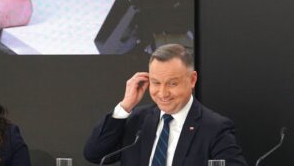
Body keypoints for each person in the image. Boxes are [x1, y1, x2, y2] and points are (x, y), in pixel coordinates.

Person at [83, 43, 247, 166]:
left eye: (172, 84)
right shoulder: (138, 119)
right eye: (156, 83)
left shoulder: (214, 128)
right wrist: (125, 106)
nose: (162, 93)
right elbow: (94, 154)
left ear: (192, 80)